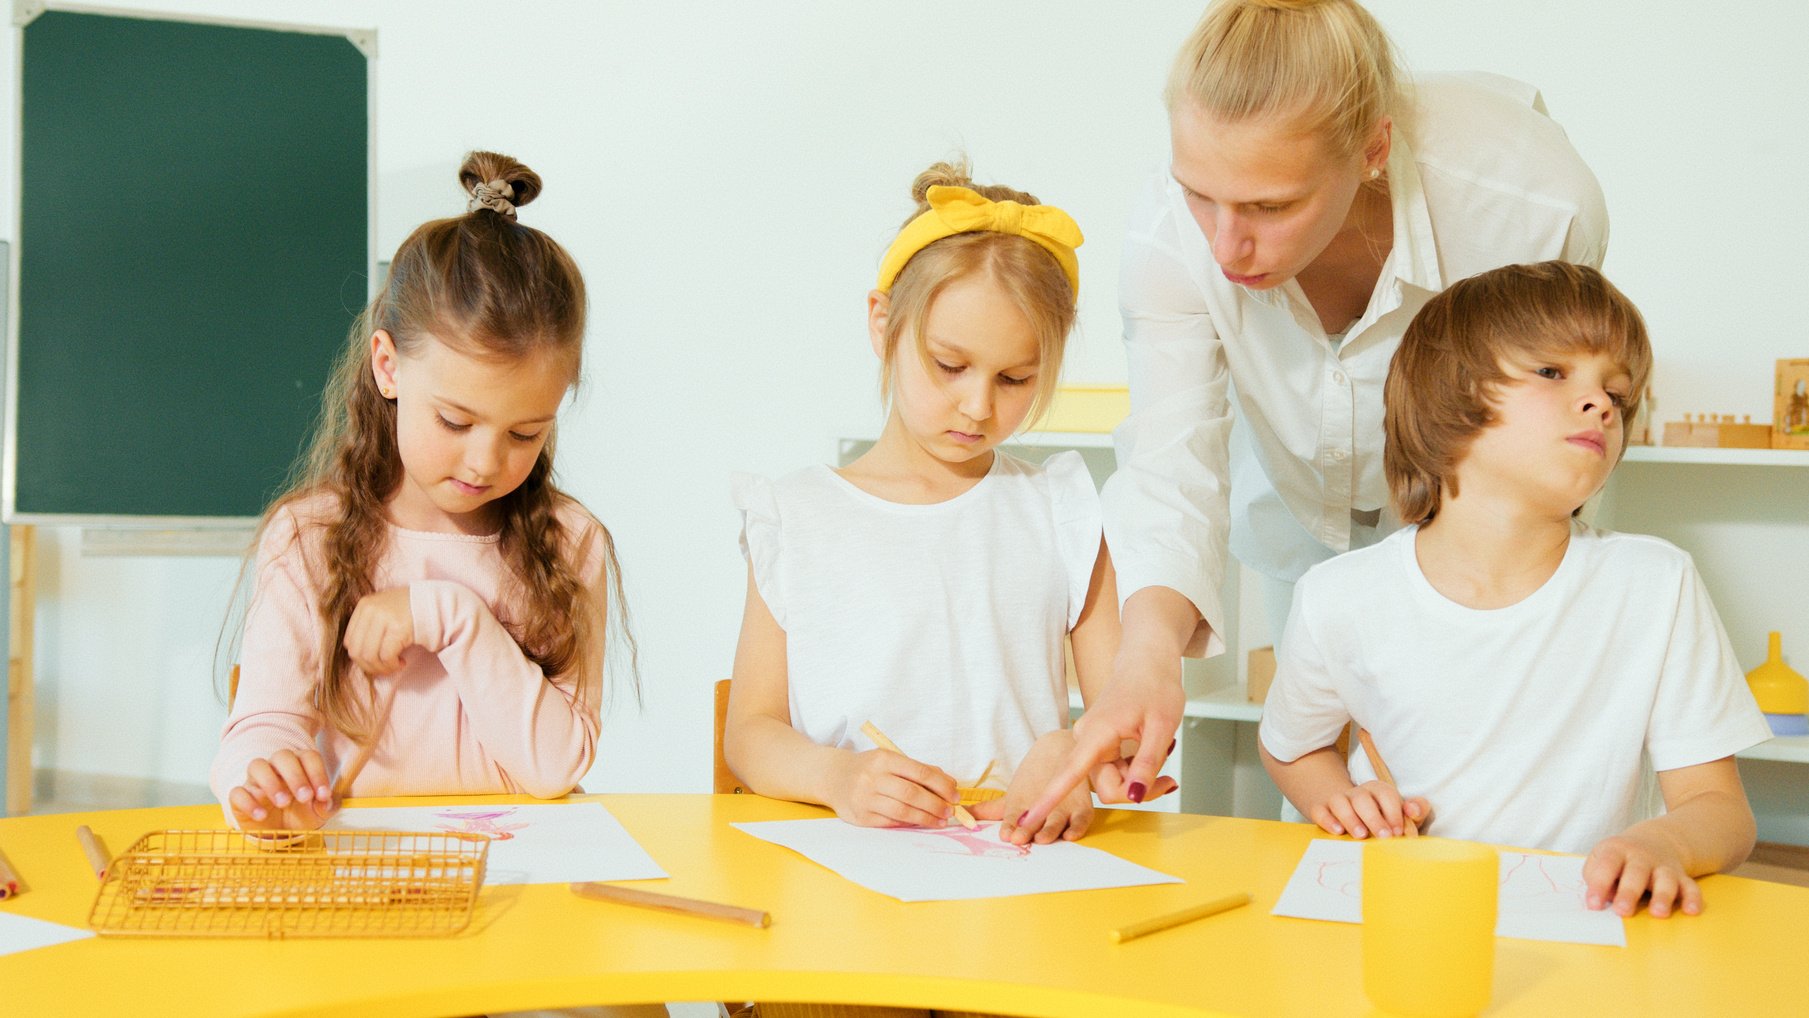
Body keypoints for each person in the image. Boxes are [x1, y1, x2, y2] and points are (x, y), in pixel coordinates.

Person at [1029, 0, 1610, 820]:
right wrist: (1146, 654)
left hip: (1488, 501)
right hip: (1296, 493)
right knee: (1324, 795)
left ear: (1372, 149)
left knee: (1486, 778)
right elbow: (1170, 462)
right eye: (1199, 194)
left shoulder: (1529, 205)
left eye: (1269, 207)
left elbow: (1547, 419)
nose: (1225, 245)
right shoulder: (1168, 237)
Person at [1259, 261, 1769, 918]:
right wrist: (1334, 796)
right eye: (1553, 372)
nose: (1600, 404)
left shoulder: (1653, 584)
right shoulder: (1338, 596)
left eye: (1616, 393)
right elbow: (1293, 745)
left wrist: (1661, 842)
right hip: (1400, 915)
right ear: (1444, 393)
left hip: (1582, 933)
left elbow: (1720, 810)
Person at [724, 159, 1170, 875]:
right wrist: (835, 778)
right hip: (845, 879)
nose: (977, 406)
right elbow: (749, 733)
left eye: (1015, 379)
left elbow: (1120, 710)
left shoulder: (1058, 508)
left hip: (1020, 870)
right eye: (948, 365)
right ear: (882, 323)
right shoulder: (796, 516)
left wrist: (1074, 762)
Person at [210, 151, 634, 835]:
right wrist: (263, 779)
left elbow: (556, 766)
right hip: (358, 881)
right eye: (455, 420)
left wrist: (450, 616)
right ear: (387, 366)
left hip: (521, 879)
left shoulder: (568, 541)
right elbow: (262, 726)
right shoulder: (308, 535)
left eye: (526, 433)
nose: (485, 461)